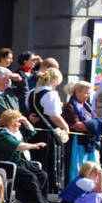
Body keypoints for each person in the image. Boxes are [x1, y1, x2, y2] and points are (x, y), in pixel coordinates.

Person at [0, 108, 55, 203]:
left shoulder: (17, 133)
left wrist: (26, 122)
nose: (19, 124)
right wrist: (34, 146)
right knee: (29, 177)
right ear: (9, 122)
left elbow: (31, 132)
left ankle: (31, 202)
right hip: (6, 164)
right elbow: (18, 146)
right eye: (17, 122)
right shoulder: (2, 135)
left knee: (42, 175)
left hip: (19, 162)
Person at [23, 65, 69, 194]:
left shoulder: (32, 93)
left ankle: (35, 190)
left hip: (34, 131)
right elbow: (54, 116)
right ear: (54, 80)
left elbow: (30, 109)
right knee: (49, 163)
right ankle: (48, 191)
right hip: (48, 133)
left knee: (37, 160)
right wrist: (65, 127)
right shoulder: (51, 94)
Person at [61, 81, 102, 183]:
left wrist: (92, 125)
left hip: (90, 142)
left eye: (89, 93)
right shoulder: (70, 107)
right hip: (77, 143)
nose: (87, 96)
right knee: (77, 168)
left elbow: (91, 122)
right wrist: (95, 126)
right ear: (76, 92)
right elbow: (76, 125)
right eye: (85, 93)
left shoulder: (87, 107)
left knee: (93, 168)